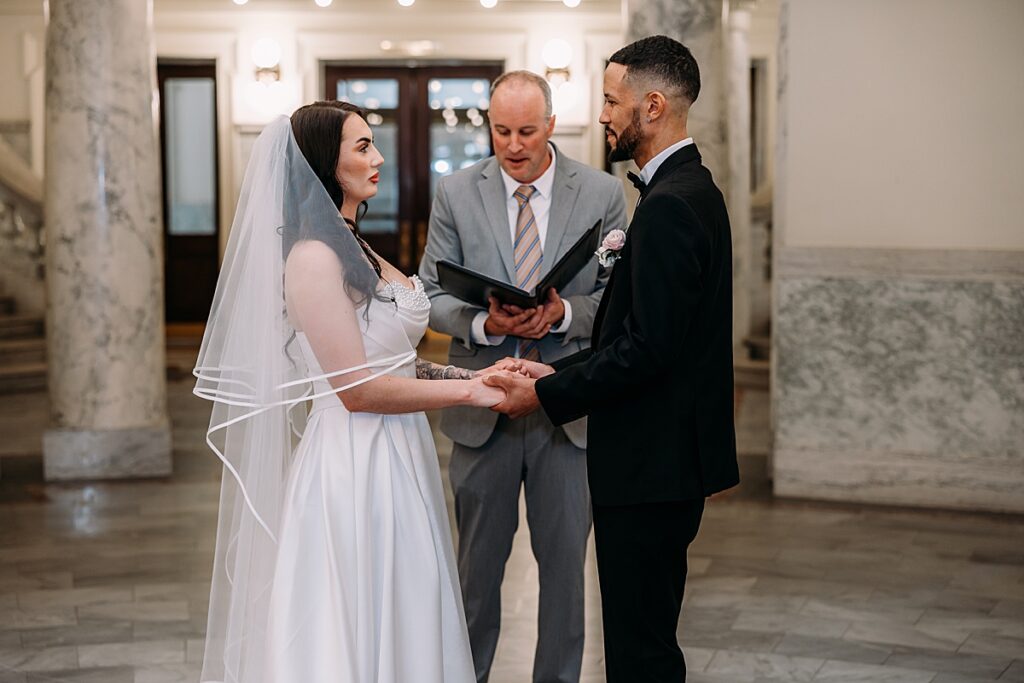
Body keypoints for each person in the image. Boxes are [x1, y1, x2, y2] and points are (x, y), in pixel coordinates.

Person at [193, 101, 515, 683]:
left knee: (407, 600)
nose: (379, 158)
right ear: (325, 162)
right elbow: (357, 391)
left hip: (397, 450)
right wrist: (469, 398)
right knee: (362, 610)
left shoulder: (351, 241)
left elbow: (397, 362)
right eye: (363, 146)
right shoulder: (313, 257)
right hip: (355, 459)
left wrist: (475, 376)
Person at [484, 37, 740, 683]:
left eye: (610, 100)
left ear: (652, 106)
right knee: (643, 640)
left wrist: (544, 395)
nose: (601, 114)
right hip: (665, 462)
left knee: (640, 653)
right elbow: (644, 337)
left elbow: (648, 351)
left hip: (650, 467)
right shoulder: (691, 189)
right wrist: (557, 372)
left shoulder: (671, 207)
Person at [418, 71, 627, 683]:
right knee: (474, 575)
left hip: (569, 407)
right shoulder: (456, 191)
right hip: (481, 404)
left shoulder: (600, 192)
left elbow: (618, 299)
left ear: (553, 125)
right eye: (502, 130)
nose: (514, 144)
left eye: (527, 131)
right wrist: (484, 322)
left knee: (566, 576)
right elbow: (430, 293)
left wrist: (562, 312)